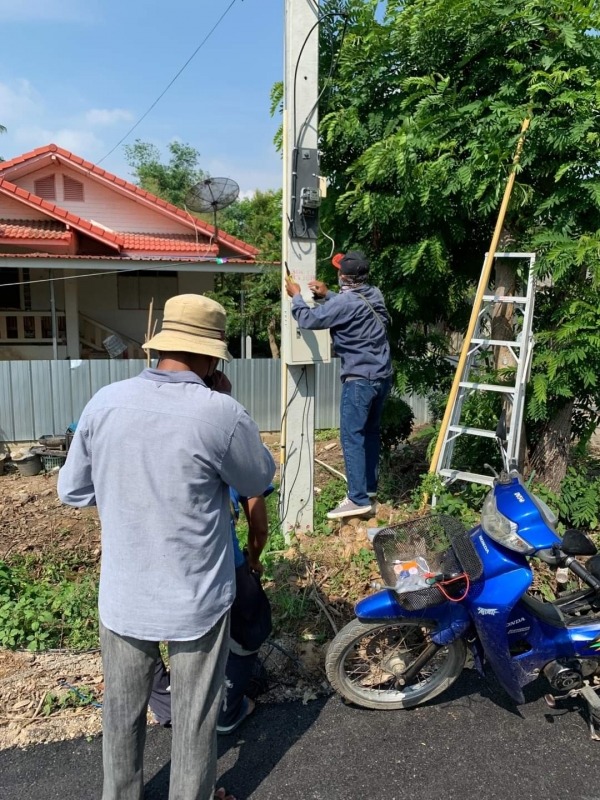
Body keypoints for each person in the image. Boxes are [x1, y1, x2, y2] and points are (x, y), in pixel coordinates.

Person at [58, 294, 275, 800]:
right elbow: (257, 478)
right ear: (212, 357)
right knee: (194, 719)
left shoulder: (104, 402)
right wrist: (225, 403)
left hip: (125, 593)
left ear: (160, 346)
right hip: (197, 597)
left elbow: (73, 491)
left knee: (121, 714)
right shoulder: (221, 413)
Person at [149, 487, 273, 735]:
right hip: (218, 564)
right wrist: (253, 558)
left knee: (142, 636)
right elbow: (259, 525)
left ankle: (169, 708)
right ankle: (227, 710)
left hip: (147, 567)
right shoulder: (228, 459)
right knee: (250, 625)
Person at [286, 251, 393, 520]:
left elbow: (310, 320)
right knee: (370, 433)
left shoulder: (345, 302)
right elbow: (352, 305)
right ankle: (369, 490)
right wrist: (328, 294)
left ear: (344, 276)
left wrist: (296, 297)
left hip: (359, 380)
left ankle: (356, 499)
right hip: (382, 377)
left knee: (351, 437)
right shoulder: (375, 294)